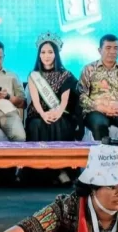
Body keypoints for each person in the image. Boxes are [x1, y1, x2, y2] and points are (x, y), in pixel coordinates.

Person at [26, 32, 81, 184]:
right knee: (37, 125)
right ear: (39, 55)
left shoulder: (65, 75)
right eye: (43, 52)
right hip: (38, 113)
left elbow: (64, 101)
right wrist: (43, 114)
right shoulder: (34, 75)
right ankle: (40, 173)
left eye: (50, 52)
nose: (46, 56)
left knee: (59, 124)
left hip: (60, 113)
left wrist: (57, 113)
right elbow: (35, 101)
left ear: (56, 54)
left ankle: (61, 170)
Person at [78, 34, 118, 141]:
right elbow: (81, 96)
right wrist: (99, 107)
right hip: (96, 111)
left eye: (116, 48)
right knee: (100, 125)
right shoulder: (89, 69)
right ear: (99, 50)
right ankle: (103, 151)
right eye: (108, 48)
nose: (112, 51)